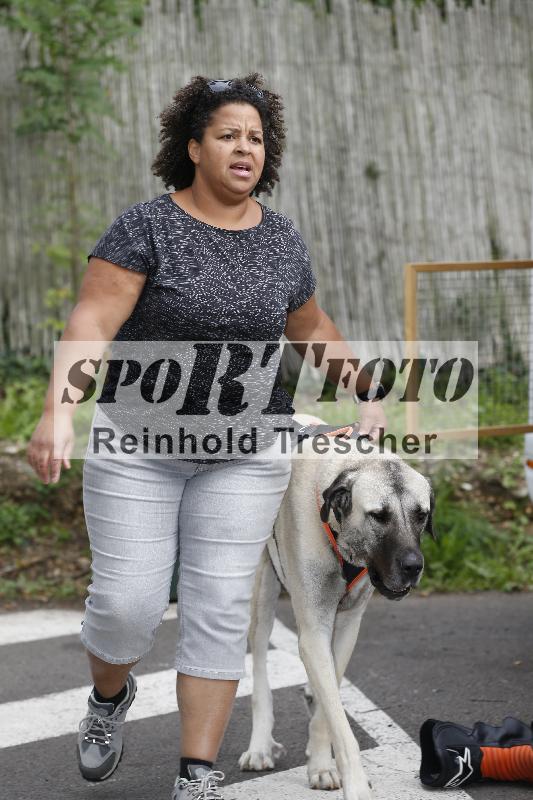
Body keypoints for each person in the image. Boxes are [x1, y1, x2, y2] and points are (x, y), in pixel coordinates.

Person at [26, 73, 386, 800]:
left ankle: (196, 773)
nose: (244, 147)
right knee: (127, 608)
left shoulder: (281, 239)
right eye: (227, 134)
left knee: (219, 611)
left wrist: (366, 387)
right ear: (193, 147)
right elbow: (93, 323)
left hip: (247, 455)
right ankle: (106, 700)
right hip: (140, 450)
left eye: (255, 137)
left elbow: (308, 327)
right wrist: (59, 410)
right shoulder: (146, 228)